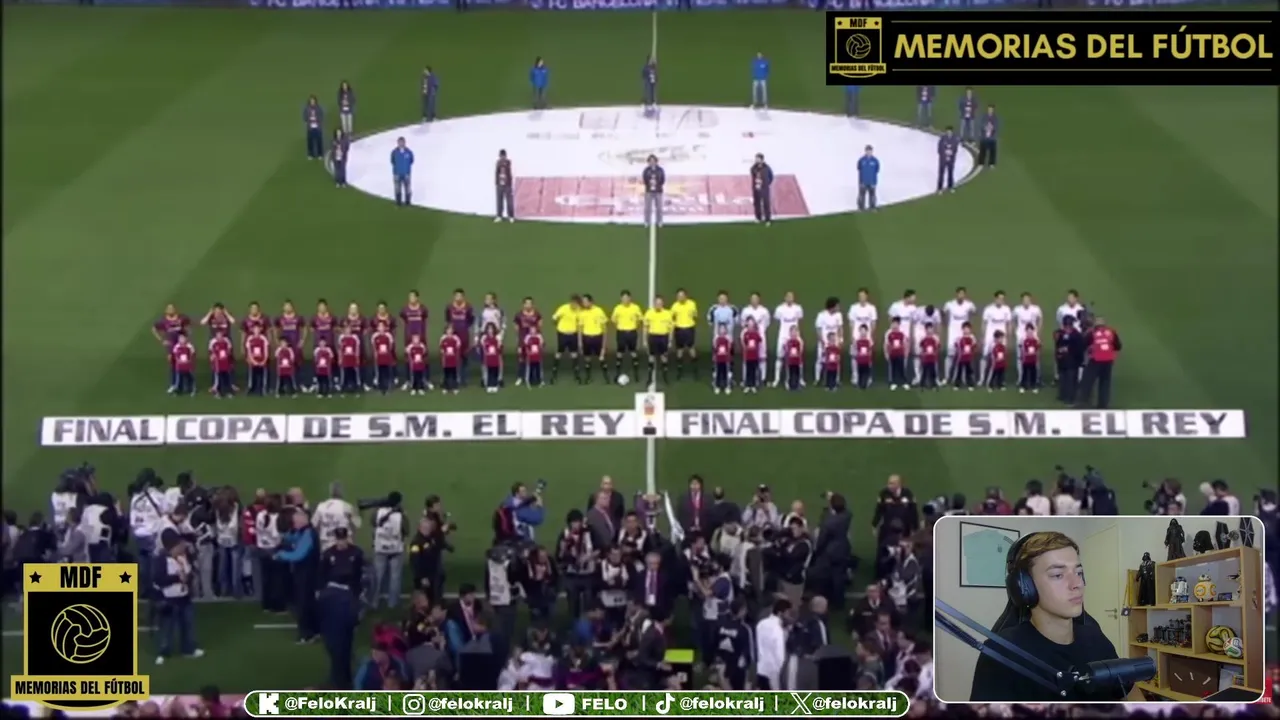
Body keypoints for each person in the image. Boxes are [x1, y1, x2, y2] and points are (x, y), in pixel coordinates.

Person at [969, 531, 1145, 702]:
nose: (1077, 584)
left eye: (1079, 573)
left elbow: (1129, 690)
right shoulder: (1001, 654)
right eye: (1058, 575)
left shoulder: (1095, 638)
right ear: (1025, 587)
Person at [755, 599, 792, 690]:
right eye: (787, 613)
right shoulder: (777, 628)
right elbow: (779, 652)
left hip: (760, 667)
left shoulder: (761, 623)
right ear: (780, 613)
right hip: (774, 671)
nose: (789, 616)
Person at [642, 154, 665, 229]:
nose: (652, 162)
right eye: (650, 161)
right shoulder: (646, 170)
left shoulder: (660, 170)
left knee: (659, 208)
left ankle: (659, 221)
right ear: (648, 162)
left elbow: (663, 180)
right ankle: (647, 221)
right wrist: (649, 184)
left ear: (656, 161)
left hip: (658, 191)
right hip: (649, 191)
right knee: (647, 208)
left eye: (653, 160)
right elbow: (644, 179)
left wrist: (657, 185)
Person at [391, 137, 414, 208]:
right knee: (397, 188)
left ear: (404, 143)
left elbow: (411, 161)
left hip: (406, 174)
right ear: (398, 143)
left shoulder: (409, 152)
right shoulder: (394, 152)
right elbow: (392, 161)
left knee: (408, 189)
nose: (401, 144)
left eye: (402, 142)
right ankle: (398, 203)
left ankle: (408, 203)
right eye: (399, 142)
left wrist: (407, 169)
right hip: (397, 173)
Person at [857, 145, 880, 212]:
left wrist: (874, 181)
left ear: (872, 151)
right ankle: (861, 208)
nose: (869, 152)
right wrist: (861, 181)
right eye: (867, 150)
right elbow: (859, 168)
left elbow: (877, 170)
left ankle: (872, 207)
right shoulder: (861, 160)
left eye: (870, 151)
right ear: (865, 151)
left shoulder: (875, 161)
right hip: (863, 181)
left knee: (872, 195)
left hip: (872, 181)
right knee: (861, 196)